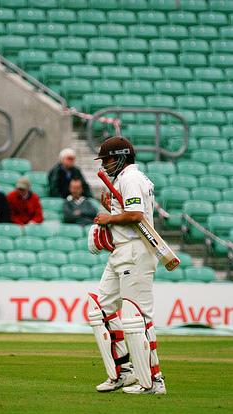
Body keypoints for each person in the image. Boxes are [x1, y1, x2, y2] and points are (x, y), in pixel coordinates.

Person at [88, 136, 166, 395]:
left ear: (121, 157)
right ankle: (124, 372)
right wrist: (110, 207)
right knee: (101, 309)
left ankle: (153, 381)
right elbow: (128, 210)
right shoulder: (126, 179)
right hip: (121, 251)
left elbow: (135, 215)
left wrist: (108, 217)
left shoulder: (131, 178)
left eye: (108, 159)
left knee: (138, 316)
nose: (106, 164)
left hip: (135, 250)